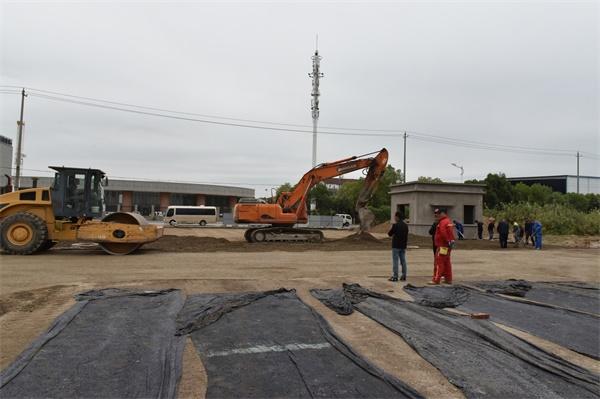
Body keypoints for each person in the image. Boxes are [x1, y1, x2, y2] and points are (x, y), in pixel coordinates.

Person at [429, 208, 455, 285]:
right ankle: (448, 279)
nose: (437, 215)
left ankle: (436, 280)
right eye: (436, 214)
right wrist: (450, 241)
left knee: (438, 263)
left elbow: (443, 233)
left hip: (442, 246)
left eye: (438, 213)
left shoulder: (443, 222)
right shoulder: (448, 221)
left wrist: (447, 240)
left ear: (443, 213)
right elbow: (450, 233)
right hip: (447, 246)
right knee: (446, 262)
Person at [387, 211, 409, 281]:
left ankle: (395, 276)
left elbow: (389, 234)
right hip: (403, 246)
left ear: (397, 217)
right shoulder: (406, 226)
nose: (394, 218)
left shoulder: (395, 225)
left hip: (396, 246)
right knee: (403, 261)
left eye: (395, 217)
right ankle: (404, 275)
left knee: (395, 261)